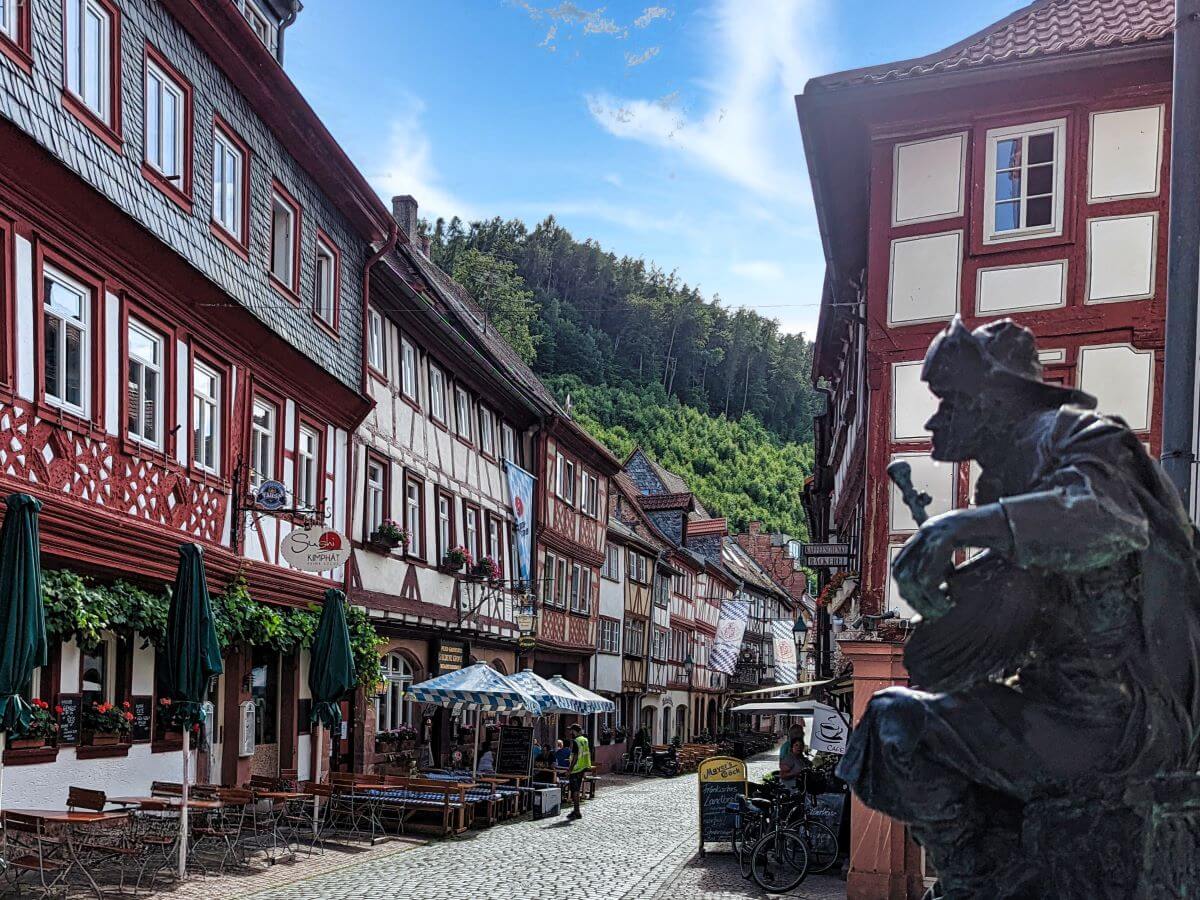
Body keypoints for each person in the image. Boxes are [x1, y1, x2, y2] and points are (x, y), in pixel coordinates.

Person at [839, 318, 1200, 896]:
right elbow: (1003, 630)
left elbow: (1110, 520)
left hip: (1117, 724)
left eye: (950, 401)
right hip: (1058, 711)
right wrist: (946, 607)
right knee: (895, 725)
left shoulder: (1075, 434)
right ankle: (990, 869)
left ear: (992, 399)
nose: (935, 420)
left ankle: (979, 872)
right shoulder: (1009, 477)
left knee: (894, 723)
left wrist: (957, 529)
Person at [563, 723, 592, 820]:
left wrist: (569, 770)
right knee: (577, 789)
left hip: (576, 768)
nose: (570, 732)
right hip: (583, 767)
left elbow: (575, 756)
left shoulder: (576, 741)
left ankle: (577, 811)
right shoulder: (585, 740)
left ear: (574, 731)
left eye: (571, 730)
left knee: (574, 790)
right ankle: (576, 810)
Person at [778, 724, 810, 790]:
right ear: (792, 734)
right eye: (799, 732)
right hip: (789, 783)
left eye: (802, 732)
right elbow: (783, 765)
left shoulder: (798, 745)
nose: (802, 734)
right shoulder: (786, 746)